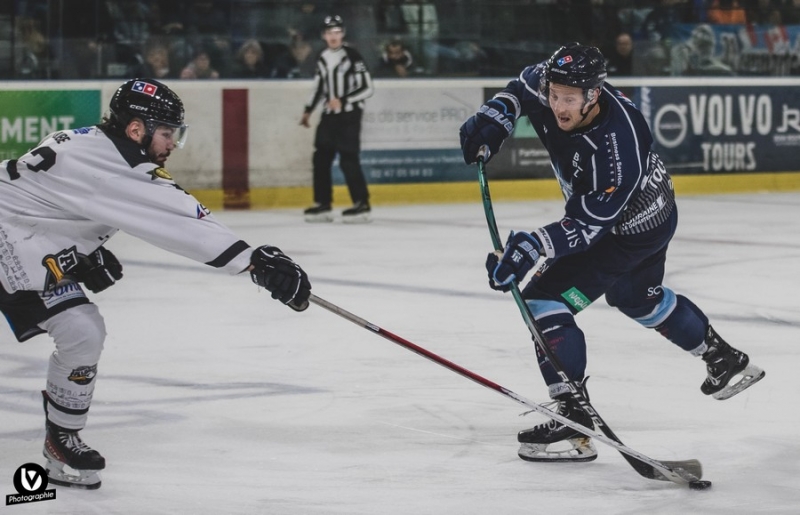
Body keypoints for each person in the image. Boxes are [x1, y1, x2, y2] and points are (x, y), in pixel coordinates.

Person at [459, 43, 764, 463]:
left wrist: (532, 248)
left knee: (542, 300)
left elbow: (588, 227)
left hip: (625, 231)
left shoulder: (618, 145)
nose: (558, 106)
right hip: (658, 216)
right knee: (636, 299)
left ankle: (572, 417)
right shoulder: (552, 85)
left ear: (594, 95)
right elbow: (519, 87)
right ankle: (721, 356)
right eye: (554, 95)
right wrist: (500, 113)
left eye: (569, 99)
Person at [0, 78, 311, 489]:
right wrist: (253, 261)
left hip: (19, 251)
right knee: (81, 330)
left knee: (82, 330)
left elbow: (47, 202)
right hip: (11, 249)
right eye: (166, 133)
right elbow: (178, 218)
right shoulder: (118, 164)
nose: (171, 143)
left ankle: (61, 438)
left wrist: (77, 251)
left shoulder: (96, 145)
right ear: (136, 129)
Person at [300, 15, 375, 223]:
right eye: (329, 33)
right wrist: (308, 110)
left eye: (337, 32)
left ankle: (361, 204)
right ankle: (322, 204)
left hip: (349, 115)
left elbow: (367, 87)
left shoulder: (353, 56)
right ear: (324, 36)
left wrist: (343, 99)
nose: (333, 36)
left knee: (348, 158)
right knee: (321, 158)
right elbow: (319, 87)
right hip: (329, 116)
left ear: (342, 34)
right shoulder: (323, 57)